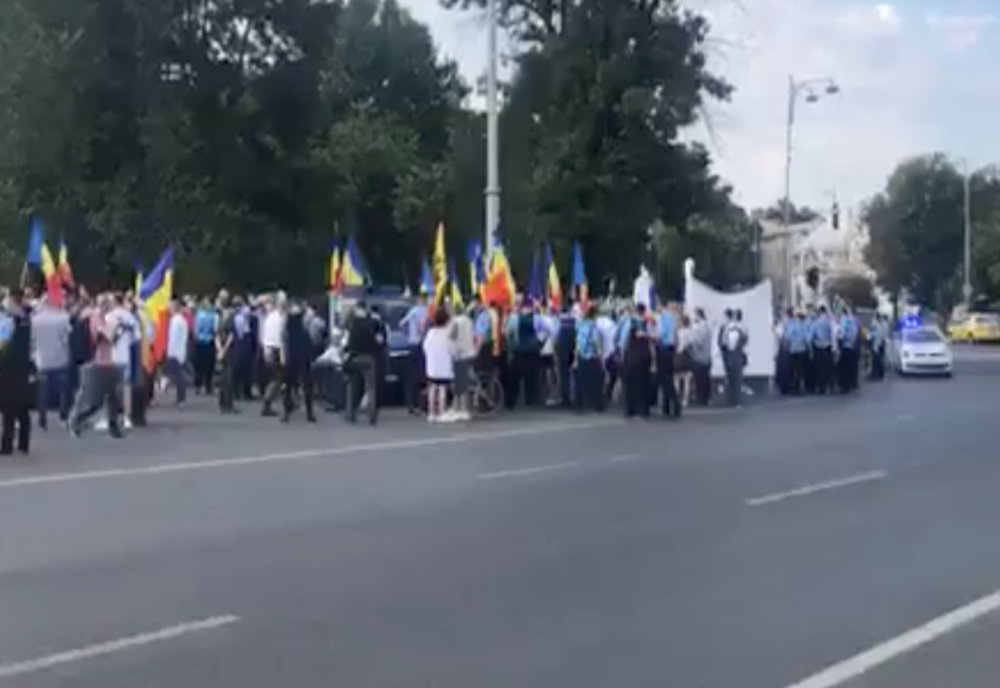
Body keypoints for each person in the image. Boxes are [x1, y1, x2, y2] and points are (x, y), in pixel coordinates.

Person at [69, 295, 124, 438]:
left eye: (108, 303)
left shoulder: (107, 318)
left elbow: (113, 340)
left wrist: (115, 331)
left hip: (109, 361)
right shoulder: (95, 318)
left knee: (113, 397)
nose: (108, 306)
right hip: (97, 363)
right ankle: (76, 421)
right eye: (105, 303)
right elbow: (102, 337)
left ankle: (114, 427)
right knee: (96, 400)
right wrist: (113, 329)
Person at [0, 291, 33, 454]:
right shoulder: (26, 318)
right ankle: (23, 442)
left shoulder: (8, 319)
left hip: (8, 365)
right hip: (22, 365)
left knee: (8, 406)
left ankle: (7, 444)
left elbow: (2, 343)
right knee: (21, 405)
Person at [32, 296, 72, 430]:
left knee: (42, 391)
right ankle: (63, 416)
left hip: (42, 359)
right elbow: (67, 338)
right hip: (59, 358)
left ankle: (42, 419)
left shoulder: (35, 319)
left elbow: (32, 340)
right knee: (62, 390)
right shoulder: (63, 318)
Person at [342, 300, 382, 424]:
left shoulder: (351, 323)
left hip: (354, 357)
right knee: (370, 387)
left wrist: (345, 351)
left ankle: (351, 414)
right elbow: (379, 340)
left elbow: (345, 342)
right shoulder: (372, 322)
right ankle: (372, 415)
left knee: (353, 386)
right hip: (369, 358)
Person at [281, 301, 316, 423]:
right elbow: (310, 338)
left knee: (288, 386)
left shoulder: (288, 324)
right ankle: (309, 413)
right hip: (303, 356)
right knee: (307, 385)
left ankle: (286, 413)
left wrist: (284, 356)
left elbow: (284, 339)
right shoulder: (304, 322)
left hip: (291, 355)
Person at [423, 306, 456, 422]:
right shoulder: (447, 334)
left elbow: (425, 347)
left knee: (432, 388)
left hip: (432, 366)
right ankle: (441, 412)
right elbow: (452, 349)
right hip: (444, 366)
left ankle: (431, 413)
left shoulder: (430, 332)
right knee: (442, 389)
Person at [400, 292, 429, 414]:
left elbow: (401, 324)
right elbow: (423, 327)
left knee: (411, 376)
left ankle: (410, 405)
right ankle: (421, 405)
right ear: (425, 300)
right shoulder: (426, 311)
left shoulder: (413, 311)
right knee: (423, 375)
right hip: (423, 345)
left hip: (412, 344)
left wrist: (408, 334)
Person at [574, 305, 603, 412]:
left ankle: (579, 405)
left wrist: (576, 359)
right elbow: (596, 344)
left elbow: (577, 344)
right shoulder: (594, 327)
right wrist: (600, 358)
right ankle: (598, 405)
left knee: (580, 382)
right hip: (592, 357)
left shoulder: (581, 326)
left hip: (581, 356)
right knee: (597, 382)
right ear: (594, 315)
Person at [451, 303, 476, 420]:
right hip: (469, 353)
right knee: (465, 384)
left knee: (458, 385)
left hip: (459, 355)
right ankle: (464, 410)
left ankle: (459, 409)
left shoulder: (456, 321)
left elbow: (452, 336)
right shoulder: (469, 321)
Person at [718, 309, 748, 407]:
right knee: (735, 379)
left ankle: (733, 400)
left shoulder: (731, 329)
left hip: (732, 356)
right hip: (734, 356)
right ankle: (734, 400)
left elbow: (723, 343)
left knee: (733, 379)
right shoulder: (740, 329)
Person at [164, 298, 190, 406]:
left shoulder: (177, 320)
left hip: (176, 352)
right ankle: (179, 397)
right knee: (177, 375)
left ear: (175, 307)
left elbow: (175, 338)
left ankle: (181, 398)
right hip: (177, 351)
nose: (168, 309)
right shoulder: (178, 319)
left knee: (179, 376)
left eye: (170, 307)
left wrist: (171, 352)